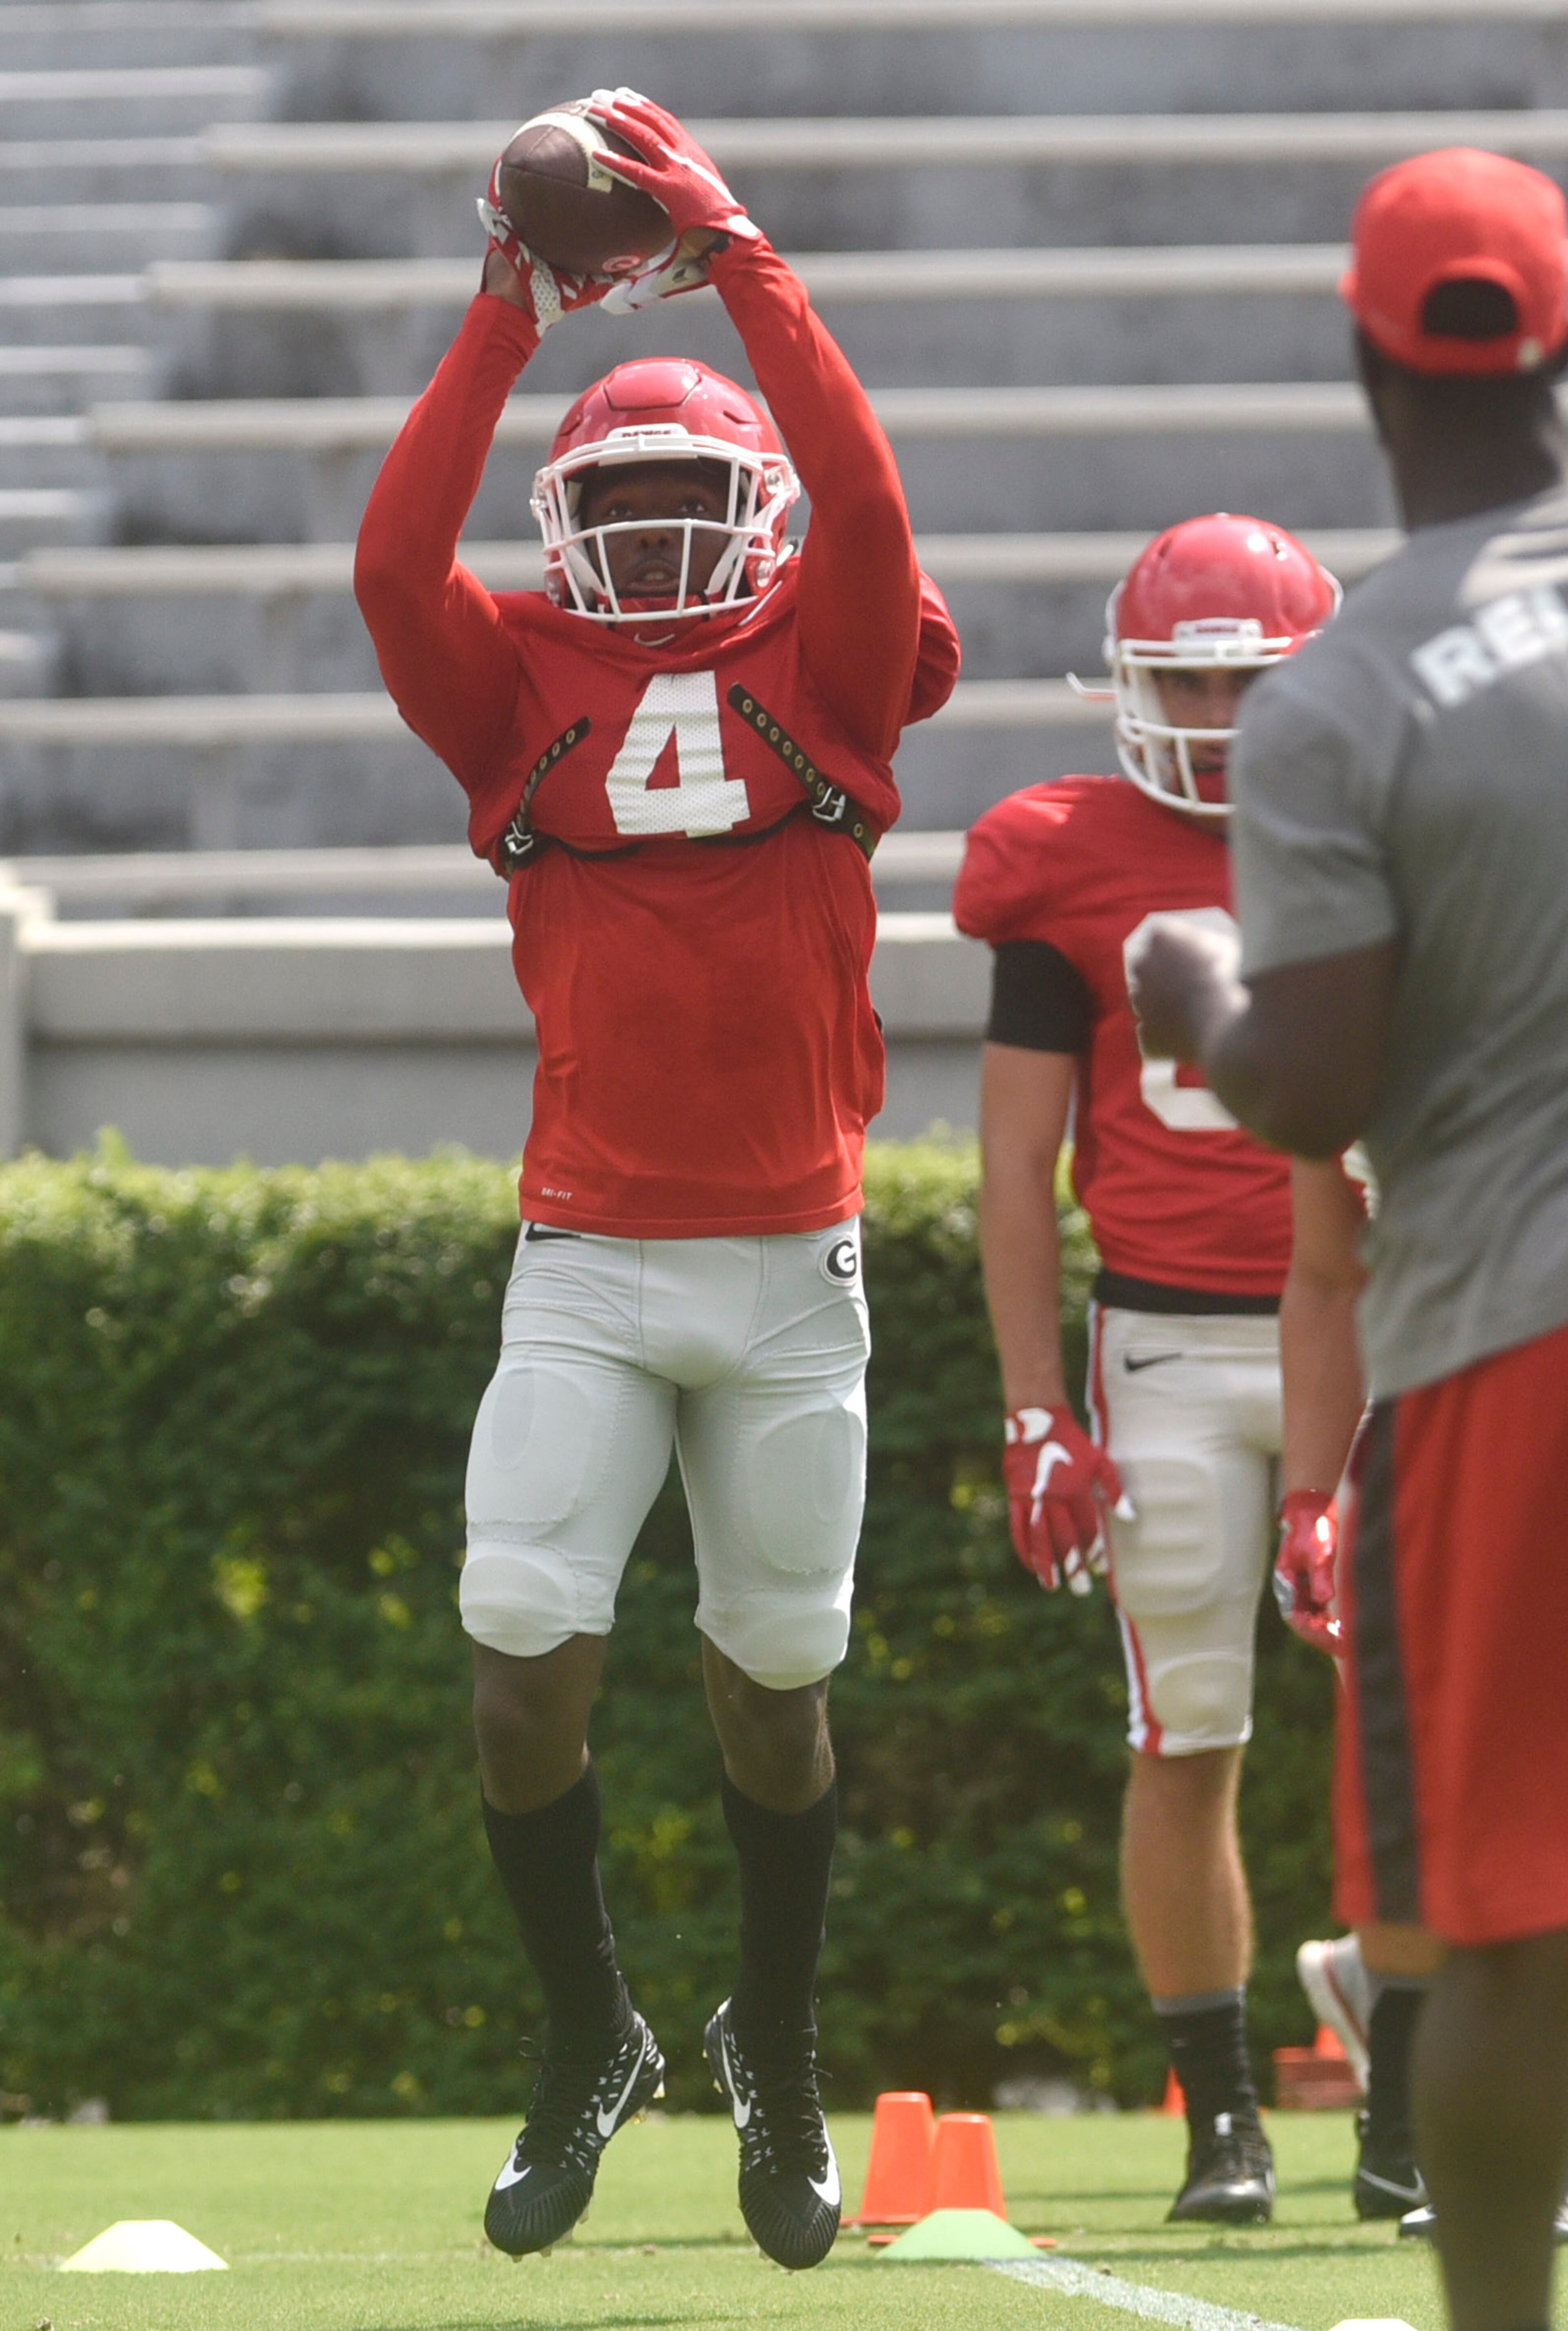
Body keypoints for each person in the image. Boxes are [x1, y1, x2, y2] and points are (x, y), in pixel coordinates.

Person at [354, 87, 959, 2271]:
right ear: (566, 515)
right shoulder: (514, 671)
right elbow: (387, 564)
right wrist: (502, 316)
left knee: (774, 1692)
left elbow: (874, 499)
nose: (663, 534)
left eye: (702, 495)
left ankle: (772, 2051)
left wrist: (748, 264)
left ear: (764, 510)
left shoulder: (833, 646)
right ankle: (588, 2025)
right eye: (621, 501)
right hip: (594, 1251)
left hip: (791, 1258)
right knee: (522, 1659)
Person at [1127, 145, 1568, 2331]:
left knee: (1498, 1920)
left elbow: (1308, 1081)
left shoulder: (1342, 692)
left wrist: (1187, 980)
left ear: (1367, 352)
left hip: (1512, 1333)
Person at [953, 513, 1338, 2224]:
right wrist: (1035, 1399)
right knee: (1188, 1725)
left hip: (1384, 1327)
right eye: (1185, 675)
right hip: (1167, 1333)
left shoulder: (1381, 828)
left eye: (1249, 682)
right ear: (1127, 679)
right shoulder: (1062, 856)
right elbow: (1016, 1165)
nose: (1213, 713)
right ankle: (1225, 2116)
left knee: (1439, 1726)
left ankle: (1416, 2088)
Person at [1279, 1159, 1441, 2223]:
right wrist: (1308, 1496)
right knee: (1435, 1782)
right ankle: (1424, 2135)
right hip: (1447, 1416)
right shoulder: (1373, 1008)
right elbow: (1329, 1270)